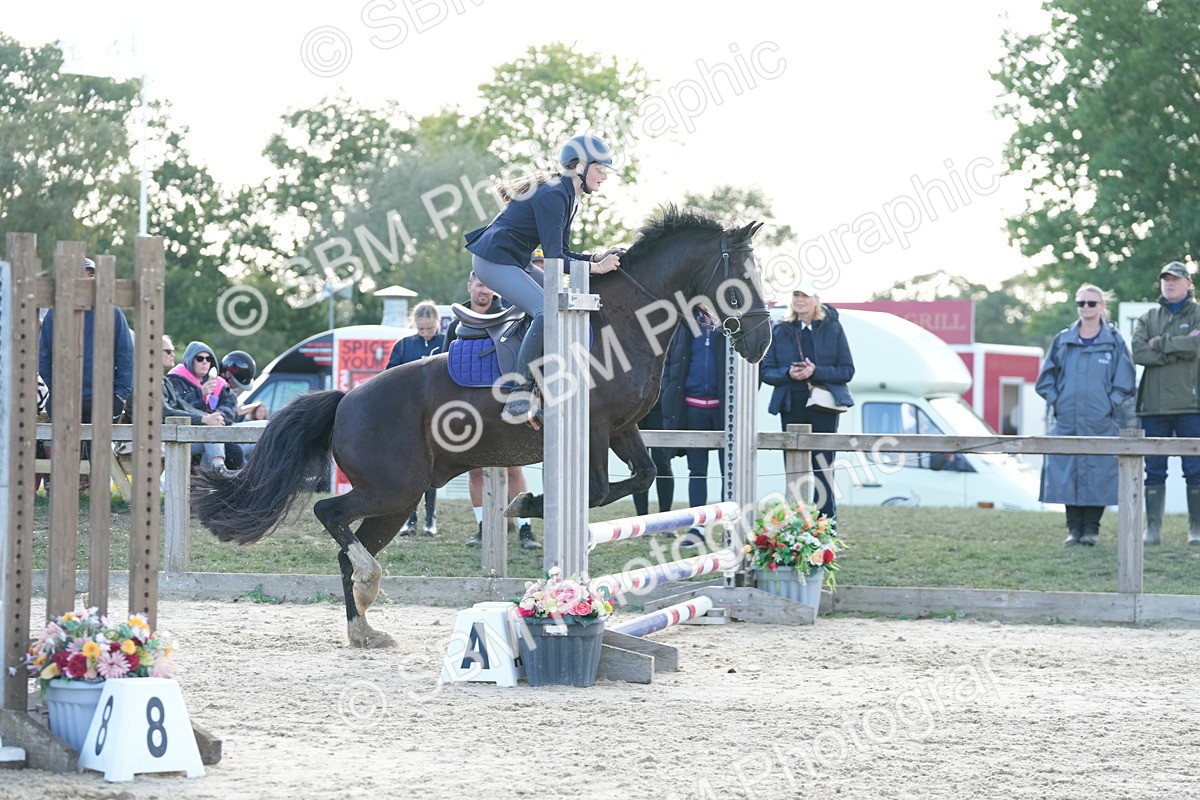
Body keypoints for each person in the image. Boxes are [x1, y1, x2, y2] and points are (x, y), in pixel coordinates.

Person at [463, 133, 624, 422]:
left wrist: (594, 259)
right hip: (493, 261)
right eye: (601, 168)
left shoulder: (568, 194)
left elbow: (563, 252)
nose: (605, 176)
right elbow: (554, 261)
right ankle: (519, 392)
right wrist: (597, 268)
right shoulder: (554, 195)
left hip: (515, 260)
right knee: (546, 310)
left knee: (556, 303)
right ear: (580, 167)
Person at [445, 272, 540, 550]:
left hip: (505, 401)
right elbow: (445, 367)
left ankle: (525, 529)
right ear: (470, 286)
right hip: (469, 407)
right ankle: (483, 526)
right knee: (474, 468)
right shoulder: (455, 325)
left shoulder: (512, 319)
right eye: (479, 284)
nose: (483, 290)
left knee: (513, 467)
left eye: (488, 284)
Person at [1035, 284, 1136, 546]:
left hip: (1101, 420)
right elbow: (1046, 379)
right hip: (1066, 419)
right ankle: (1073, 529)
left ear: (1102, 306)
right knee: (1067, 470)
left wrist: (1109, 405)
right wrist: (1057, 402)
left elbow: (1125, 380)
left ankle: (1091, 529)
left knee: (1099, 471)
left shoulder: (1114, 341)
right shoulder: (1062, 340)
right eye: (1081, 303)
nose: (1086, 308)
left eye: (1092, 303)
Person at [760, 280, 855, 520]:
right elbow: (766, 370)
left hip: (824, 407)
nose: (799, 300)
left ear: (816, 299)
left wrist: (816, 371)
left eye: (804, 296)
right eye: (795, 296)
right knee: (795, 469)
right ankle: (795, 524)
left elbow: (847, 370)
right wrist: (788, 374)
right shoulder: (780, 329)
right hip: (791, 406)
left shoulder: (833, 328)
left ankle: (826, 524)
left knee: (823, 468)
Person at [38, 255, 134, 467]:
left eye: (91, 275)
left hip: (102, 395)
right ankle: (67, 495)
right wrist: (53, 391)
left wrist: (120, 394)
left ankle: (94, 495)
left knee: (97, 455)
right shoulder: (55, 314)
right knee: (65, 453)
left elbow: (125, 354)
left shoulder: (113, 312)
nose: (88, 279)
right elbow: (44, 357)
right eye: (82, 275)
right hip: (64, 396)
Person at [1132, 261, 1200, 546]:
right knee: (1154, 469)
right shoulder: (1148, 316)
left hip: (1190, 405)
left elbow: (1197, 347)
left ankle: (1196, 529)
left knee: (1195, 468)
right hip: (1154, 406)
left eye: (1175, 279)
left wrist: (1158, 343)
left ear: (1189, 284)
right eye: (1165, 279)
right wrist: (1178, 346)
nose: (1169, 283)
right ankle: (1153, 530)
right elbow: (1138, 352)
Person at [660, 310, 726, 547]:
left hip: (723, 411)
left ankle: (729, 527)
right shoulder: (684, 323)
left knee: (728, 472)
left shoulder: (730, 325)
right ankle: (697, 527)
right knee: (697, 470)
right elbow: (670, 364)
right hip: (692, 408)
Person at [387, 300, 445, 536]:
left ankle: (430, 519)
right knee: (409, 468)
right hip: (410, 416)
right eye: (421, 329)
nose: (425, 333)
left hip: (437, 413)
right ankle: (409, 519)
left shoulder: (445, 342)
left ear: (437, 324)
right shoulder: (404, 345)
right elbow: (390, 376)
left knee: (432, 468)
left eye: (429, 328)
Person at [165, 340, 240, 474]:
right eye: (200, 358)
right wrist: (200, 394)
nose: (205, 362)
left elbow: (231, 407)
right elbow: (178, 407)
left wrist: (218, 416)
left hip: (219, 430)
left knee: (263, 428)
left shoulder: (218, 383)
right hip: (185, 434)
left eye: (208, 359)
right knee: (215, 434)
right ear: (190, 360)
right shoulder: (175, 379)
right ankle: (217, 472)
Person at [218, 349, 258, 471]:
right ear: (227, 374)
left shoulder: (227, 391)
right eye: (235, 384)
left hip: (225, 429)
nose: (236, 388)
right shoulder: (215, 386)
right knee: (235, 452)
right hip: (216, 431)